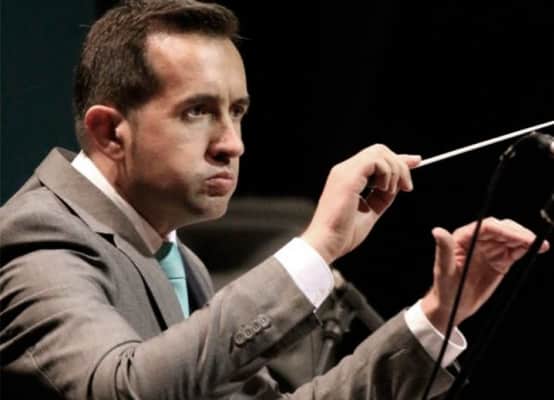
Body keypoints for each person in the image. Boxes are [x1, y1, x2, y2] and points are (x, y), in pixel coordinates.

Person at [0, 1, 549, 399]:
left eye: (237, 112)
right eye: (197, 111)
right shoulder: (39, 236)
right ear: (109, 132)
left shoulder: (175, 260)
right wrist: (317, 246)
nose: (232, 144)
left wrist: (437, 313)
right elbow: (120, 389)